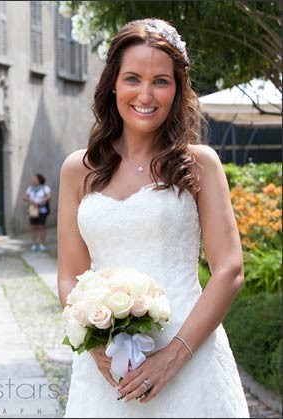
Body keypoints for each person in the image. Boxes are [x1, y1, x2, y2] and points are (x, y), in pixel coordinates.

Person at [57, 19, 249, 417]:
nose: (146, 94)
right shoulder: (78, 169)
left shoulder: (199, 164)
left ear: (177, 89)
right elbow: (69, 276)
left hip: (190, 358)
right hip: (107, 372)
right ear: (113, 84)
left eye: (161, 81)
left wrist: (174, 356)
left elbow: (229, 268)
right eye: (133, 78)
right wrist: (96, 349)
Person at [23, 173, 52, 251]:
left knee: (41, 227)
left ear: (39, 180)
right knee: (33, 227)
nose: (33, 180)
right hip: (33, 210)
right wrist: (31, 200)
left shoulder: (45, 188)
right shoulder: (30, 188)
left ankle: (42, 243)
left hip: (42, 210)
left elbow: (49, 196)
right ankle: (34, 243)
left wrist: (40, 202)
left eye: (35, 179)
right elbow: (25, 197)